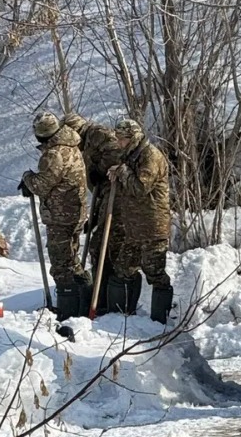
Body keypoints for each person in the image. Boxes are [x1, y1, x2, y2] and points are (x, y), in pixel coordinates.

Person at [21, 112, 89, 319]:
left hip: (62, 215)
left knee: (62, 264)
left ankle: (69, 312)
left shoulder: (54, 154)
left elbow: (42, 185)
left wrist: (28, 178)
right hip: (74, 212)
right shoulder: (71, 147)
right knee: (71, 260)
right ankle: (82, 304)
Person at [106, 118, 174, 322]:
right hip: (134, 228)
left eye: (122, 139)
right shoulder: (131, 155)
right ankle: (121, 316)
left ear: (133, 138)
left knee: (154, 272)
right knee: (123, 268)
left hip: (152, 226)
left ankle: (159, 320)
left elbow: (140, 188)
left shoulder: (150, 156)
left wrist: (123, 172)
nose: (119, 143)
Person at [67, 112, 119, 283]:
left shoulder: (96, 132)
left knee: (100, 245)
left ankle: (103, 289)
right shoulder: (86, 143)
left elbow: (115, 151)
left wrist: (100, 169)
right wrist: (95, 217)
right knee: (97, 245)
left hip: (114, 193)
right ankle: (100, 287)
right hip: (103, 195)